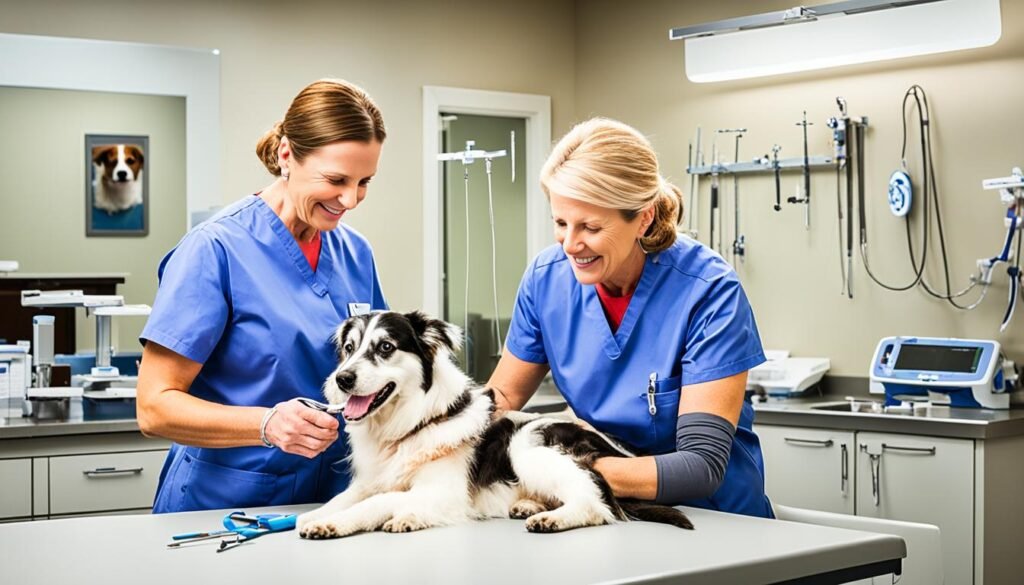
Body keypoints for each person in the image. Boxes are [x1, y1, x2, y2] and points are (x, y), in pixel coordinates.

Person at [489, 118, 773, 518]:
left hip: (711, 520)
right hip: (607, 516)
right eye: (560, 223)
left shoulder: (707, 290)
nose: (570, 245)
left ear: (643, 217)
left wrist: (563, 471)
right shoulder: (546, 280)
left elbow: (700, 466)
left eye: (590, 226)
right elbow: (499, 403)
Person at [136, 79, 388, 513]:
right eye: (336, 179)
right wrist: (267, 424)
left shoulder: (356, 253)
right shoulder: (215, 249)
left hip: (329, 498)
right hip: (226, 502)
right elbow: (155, 407)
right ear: (287, 155)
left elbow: (379, 367)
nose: (351, 199)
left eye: (364, 181)